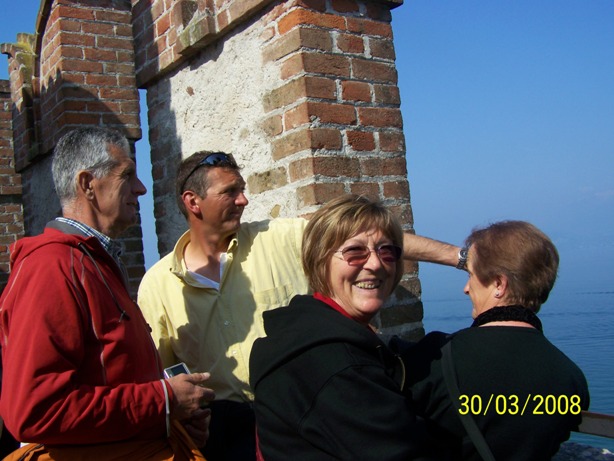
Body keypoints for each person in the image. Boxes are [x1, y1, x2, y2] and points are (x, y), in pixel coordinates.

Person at [138, 150, 462, 461]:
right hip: (221, 433)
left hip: (302, 412)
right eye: (230, 191)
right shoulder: (157, 285)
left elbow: (369, 238)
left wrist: (461, 257)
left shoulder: (279, 239)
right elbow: (157, 377)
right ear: (193, 201)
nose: (243, 200)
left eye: (242, 189)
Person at [0, 127, 215, 460]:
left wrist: (171, 419)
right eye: (126, 175)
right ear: (88, 184)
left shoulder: (92, 263)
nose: (140, 188)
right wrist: (164, 400)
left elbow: (112, 379)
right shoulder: (51, 266)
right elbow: (36, 409)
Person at [249, 194, 435, 460]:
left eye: (386, 251)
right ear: (320, 261)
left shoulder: (304, 330)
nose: (375, 264)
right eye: (355, 252)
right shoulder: (338, 368)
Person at [395, 220, 590, 461]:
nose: (466, 288)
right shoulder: (571, 378)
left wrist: (456, 257)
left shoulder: (435, 357)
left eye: (471, 275)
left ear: (498, 284)